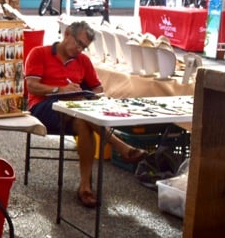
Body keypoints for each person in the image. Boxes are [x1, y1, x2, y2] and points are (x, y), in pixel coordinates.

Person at [24, 20, 147, 208]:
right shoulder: (39, 53)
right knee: (82, 115)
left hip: (74, 110)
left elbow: (98, 88)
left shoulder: (83, 61)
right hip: (42, 107)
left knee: (83, 122)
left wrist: (91, 96)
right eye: (78, 43)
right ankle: (119, 146)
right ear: (66, 34)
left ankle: (85, 187)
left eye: (84, 47)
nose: (80, 49)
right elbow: (32, 86)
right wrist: (60, 90)